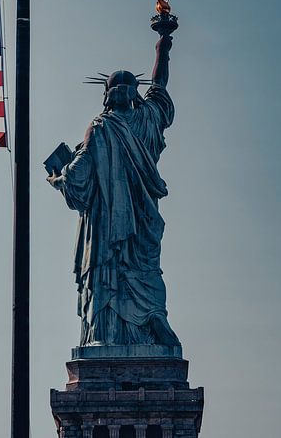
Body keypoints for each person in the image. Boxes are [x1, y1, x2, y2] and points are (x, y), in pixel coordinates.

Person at [47, 35, 180, 346]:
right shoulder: (147, 120)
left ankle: (106, 336)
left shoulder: (100, 128)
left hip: (107, 231)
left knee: (108, 275)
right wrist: (163, 44)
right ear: (134, 95)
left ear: (107, 96)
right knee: (145, 272)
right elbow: (159, 88)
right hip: (143, 225)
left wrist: (57, 178)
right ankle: (151, 319)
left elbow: (77, 179)